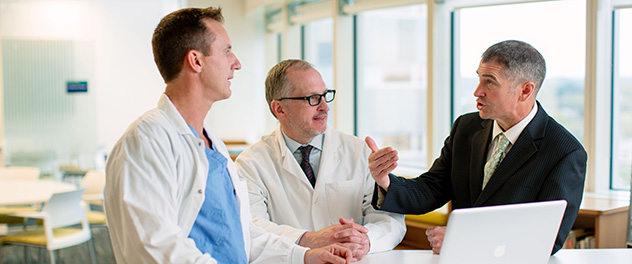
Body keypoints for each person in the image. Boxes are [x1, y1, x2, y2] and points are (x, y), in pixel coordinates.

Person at [104, 7, 352, 264]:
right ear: (196, 61)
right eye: (226, 51)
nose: (237, 63)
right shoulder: (145, 142)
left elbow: (240, 235)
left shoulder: (214, 146)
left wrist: (305, 256)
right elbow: (154, 247)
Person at [366, 40, 586, 255]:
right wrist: (385, 181)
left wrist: (464, 240)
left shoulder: (565, 152)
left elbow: (549, 238)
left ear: (525, 91)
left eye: (489, 82)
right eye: (479, 79)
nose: (477, 91)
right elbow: (432, 189)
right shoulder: (466, 127)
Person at [235, 59, 406, 260]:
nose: (325, 107)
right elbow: (251, 227)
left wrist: (367, 241)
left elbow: (390, 219)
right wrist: (308, 240)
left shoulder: (358, 151)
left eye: (325, 96)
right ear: (279, 109)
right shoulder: (251, 163)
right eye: (313, 98)